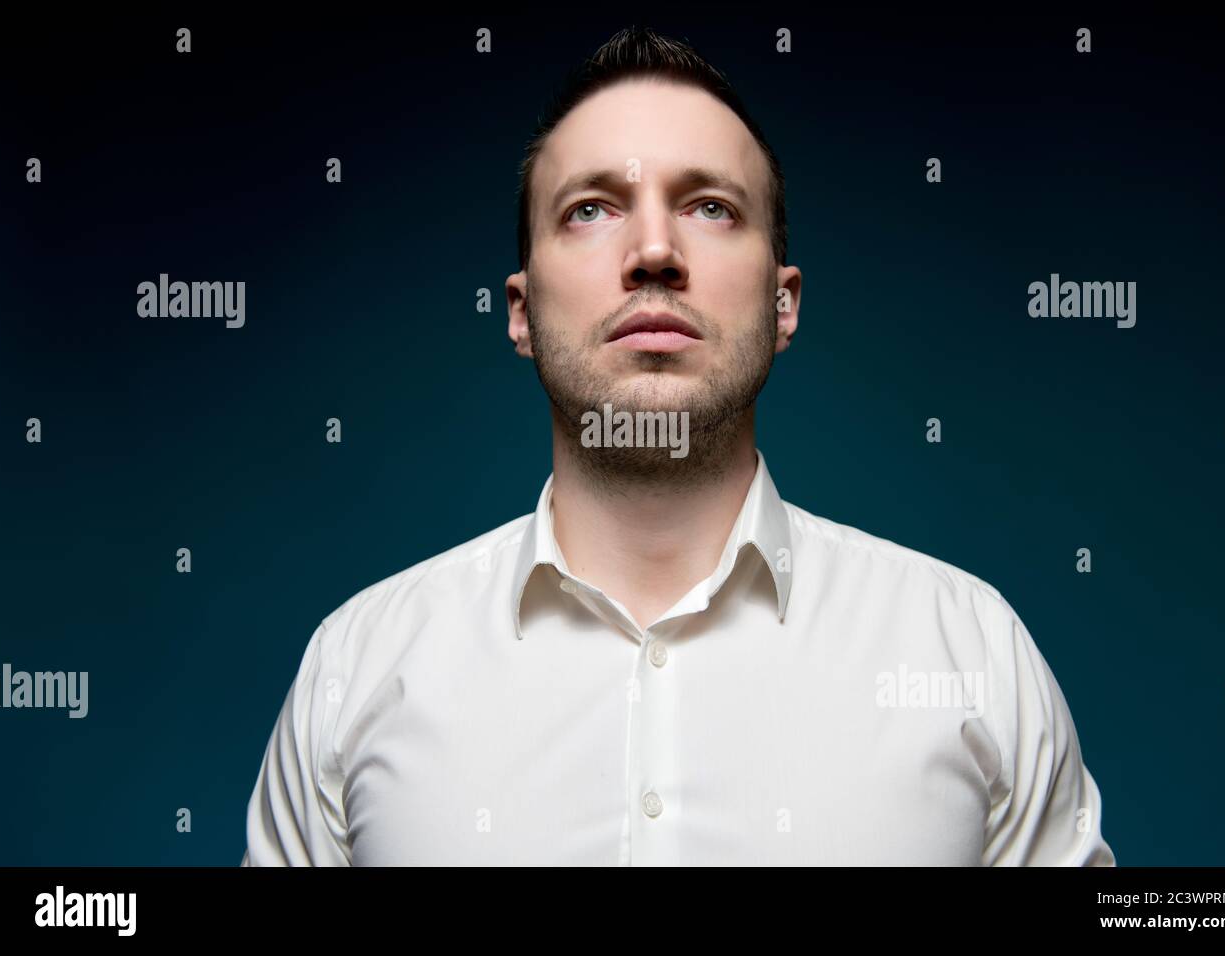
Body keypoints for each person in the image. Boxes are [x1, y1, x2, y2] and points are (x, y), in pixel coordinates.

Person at [241, 25, 1115, 866]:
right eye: (590, 210)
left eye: (709, 207)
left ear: (784, 306)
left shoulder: (971, 654)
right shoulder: (356, 669)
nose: (653, 251)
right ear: (519, 312)